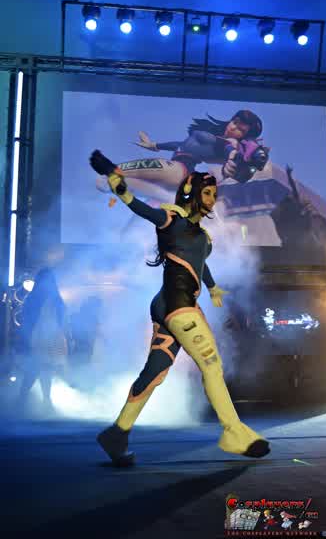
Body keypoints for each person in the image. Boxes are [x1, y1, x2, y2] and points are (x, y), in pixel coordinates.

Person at [90, 149, 270, 466]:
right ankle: (233, 432)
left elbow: (199, 264)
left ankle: (117, 433)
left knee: (155, 372)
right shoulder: (171, 220)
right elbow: (139, 207)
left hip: (169, 306)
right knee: (211, 365)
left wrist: (212, 287)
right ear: (191, 192)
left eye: (214, 193)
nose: (212, 199)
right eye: (207, 193)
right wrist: (118, 184)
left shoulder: (201, 235)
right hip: (178, 307)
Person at [95, 110, 269, 201]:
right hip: (175, 178)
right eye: (235, 122)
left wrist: (231, 160)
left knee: (118, 173)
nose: (233, 128)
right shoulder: (212, 137)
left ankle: (108, 173)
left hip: (180, 170)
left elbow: (230, 151)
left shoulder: (229, 144)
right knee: (125, 184)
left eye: (240, 129)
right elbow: (181, 145)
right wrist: (154, 145)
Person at [16, 267, 69, 413]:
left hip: (48, 337)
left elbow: (62, 320)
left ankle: (34, 401)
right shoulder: (42, 298)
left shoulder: (46, 298)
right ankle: (29, 400)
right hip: (41, 337)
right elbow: (28, 320)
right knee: (38, 369)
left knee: (42, 369)